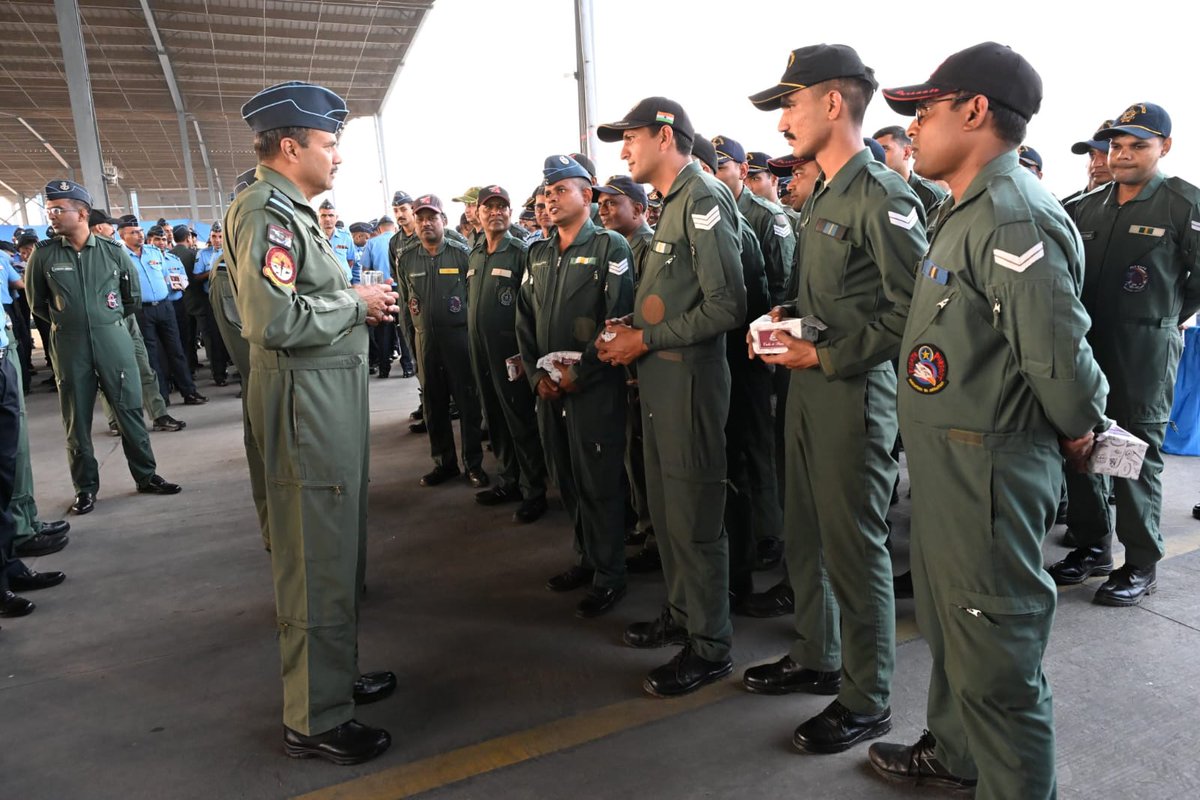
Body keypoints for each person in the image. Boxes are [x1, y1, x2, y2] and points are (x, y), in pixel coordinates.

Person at [865, 42, 1109, 797]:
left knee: (999, 664)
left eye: (924, 113)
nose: (913, 131)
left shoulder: (1010, 215)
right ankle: (955, 753)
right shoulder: (966, 207)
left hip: (990, 476)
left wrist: (1081, 423)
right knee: (955, 629)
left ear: (975, 111)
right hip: (950, 469)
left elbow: (1061, 359)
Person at [742, 44, 925, 755]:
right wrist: (782, 315)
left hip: (853, 395)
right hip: (808, 386)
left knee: (855, 549)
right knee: (807, 534)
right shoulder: (823, 189)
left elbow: (916, 311)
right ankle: (819, 655)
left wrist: (828, 352)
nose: (784, 120)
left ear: (832, 102)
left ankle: (867, 696)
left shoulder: (883, 195)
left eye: (790, 103)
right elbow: (831, 294)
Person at [226, 81, 399, 765]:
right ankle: (315, 719)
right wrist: (354, 304)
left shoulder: (295, 213)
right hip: (306, 410)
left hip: (326, 405)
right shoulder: (265, 212)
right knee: (314, 559)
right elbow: (272, 321)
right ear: (292, 146)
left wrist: (352, 303)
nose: (337, 158)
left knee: (338, 553)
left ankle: (331, 677)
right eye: (330, 145)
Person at [596, 99, 746, 696]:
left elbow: (726, 305)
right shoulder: (674, 204)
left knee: (694, 519)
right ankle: (684, 616)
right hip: (662, 382)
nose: (624, 150)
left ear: (665, 136)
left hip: (689, 384)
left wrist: (645, 338)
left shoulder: (704, 199)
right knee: (667, 513)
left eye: (629, 138)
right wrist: (629, 325)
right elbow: (681, 295)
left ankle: (710, 645)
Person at [1051, 103, 1200, 605]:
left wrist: (1166, 315)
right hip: (1086, 349)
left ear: (1165, 148)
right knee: (1083, 443)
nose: (1124, 155)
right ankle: (1092, 546)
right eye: (1117, 145)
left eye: (1138, 145)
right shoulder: (1085, 206)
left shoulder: (1183, 205)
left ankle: (1140, 562)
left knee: (1134, 457)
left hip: (1142, 353)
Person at [516, 157, 634, 618]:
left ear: (587, 196)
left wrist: (577, 374)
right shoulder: (539, 253)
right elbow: (523, 320)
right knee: (566, 477)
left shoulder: (611, 246)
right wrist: (536, 375)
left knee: (599, 483)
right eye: (547, 192)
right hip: (550, 390)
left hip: (594, 389)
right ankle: (587, 559)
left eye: (560, 190)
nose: (550, 198)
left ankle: (611, 575)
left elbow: (618, 319)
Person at [25, 181, 183, 516]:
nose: (51, 215)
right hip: (69, 344)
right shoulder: (44, 254)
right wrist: (72, 322)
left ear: (81, 213)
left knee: (129, 410)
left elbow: (130, 300)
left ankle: (146, 475)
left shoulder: (112, 252)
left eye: (58, 209)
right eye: (49, 209)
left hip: (113, 339)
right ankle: (85, 488)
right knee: (76, 418)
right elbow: (37, 304)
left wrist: (102, 321)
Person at [393, 195, 488, 488]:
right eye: (420, 219)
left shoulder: (462, 254)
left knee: (467, 404)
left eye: (431, 218)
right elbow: (407, 307)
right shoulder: (407, 258)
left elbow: (475, 301)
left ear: (443, 222)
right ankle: (444, 463)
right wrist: (412, 348)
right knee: (434, 406)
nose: (425, 224)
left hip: (459, 341)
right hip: (426, 344)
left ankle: (473, 464)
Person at [467, 185, 548, 523]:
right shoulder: (475, 254)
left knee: (519, 418)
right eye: (490, 207)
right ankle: (508, 479)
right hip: (479, 351)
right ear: (478, 213)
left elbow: (531, 307)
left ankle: (533, 490)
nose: (496, 212)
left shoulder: (520, 251)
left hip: (509, 352)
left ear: (510, 213)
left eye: (503, 207)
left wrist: (524, 353)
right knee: (495, 417)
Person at [595, 174, 657, 561]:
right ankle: (641, 521)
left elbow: (650, 310)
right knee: (631, 449)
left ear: (638, 208)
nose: (604, 208)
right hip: (622, 359)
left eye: (613, 202)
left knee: (643, 449)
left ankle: (652, 533)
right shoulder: (617, 247)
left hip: (643, 362)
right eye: (600, 202)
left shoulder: (647, 247)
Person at [118, 216, 207, 406]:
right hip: (142, 311)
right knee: (153, 355)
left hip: (165, 306)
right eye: (133, 233)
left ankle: (189, 392)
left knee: (177, 350)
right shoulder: (120, 256)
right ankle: (161, 397)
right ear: (122, 235)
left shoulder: (154, 253)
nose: (139, 235)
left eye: (140, 232)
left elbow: (167, 277)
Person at [872, 125, 950, 214]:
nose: (878, 156)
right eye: (875, 151)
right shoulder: (872, 193)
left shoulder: (930, 195)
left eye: (884, 149)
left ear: (906, 152)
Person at [193, 222, 231, 385]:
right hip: (212, 300)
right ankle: (219, 374)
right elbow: (196, 277)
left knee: (234, 336)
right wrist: (215, 271)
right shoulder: (203, 254)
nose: (217, 240)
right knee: (215, 338)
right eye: (214, 236)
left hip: (232, 300)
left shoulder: (233, 251)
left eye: (220, 236)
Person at [1061, 119, 1116, 205]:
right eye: (1092, 154)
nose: (1096, 163)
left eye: (1106, 153)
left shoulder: (1135, 207)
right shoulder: (1067, 206)